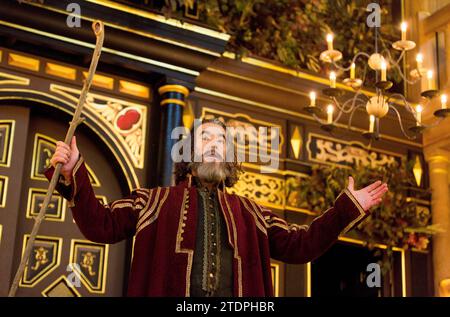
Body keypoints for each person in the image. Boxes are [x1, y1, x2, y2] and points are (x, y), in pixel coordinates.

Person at [45, 116, 388, 296]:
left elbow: (301, 245)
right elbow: (100, 224)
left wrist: (346, 208)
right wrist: (74, 170)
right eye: (204, 138)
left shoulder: (251, 212)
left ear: (229, 157)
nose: (213, 145)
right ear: (189, 154)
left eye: (221, 140)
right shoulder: (152, 201)